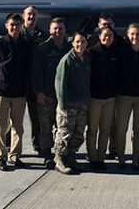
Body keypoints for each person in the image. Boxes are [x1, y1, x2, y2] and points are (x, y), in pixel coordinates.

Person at [0, 13, 32, 172]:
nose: (15, 27)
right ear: (6, 25)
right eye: (12, 24)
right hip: (2, 91)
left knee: (18, 127)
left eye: (18, 24)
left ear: (22, 26)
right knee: (0, 127)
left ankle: (15, 155)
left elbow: (28, 67)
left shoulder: (26, 45)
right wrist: (0, 80)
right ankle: (1, 157)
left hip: (19, 92)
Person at [32, 18, 71, 169]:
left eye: (60, 29)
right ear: (49, 30)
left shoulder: (69, 48)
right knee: (46, 126)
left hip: (64, 95)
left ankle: (61, 153)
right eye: (55, 28)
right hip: (47, 94)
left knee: (63, 126)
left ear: (64, 31)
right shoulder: (42, 49)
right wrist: (39, 92)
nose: (58, 31)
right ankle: (47, 154)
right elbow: (36, 72)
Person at [115, 23, 139, 169]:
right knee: (121, 129)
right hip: (124, 96)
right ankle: (121, 158)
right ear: (127, 35)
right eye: (132, 34)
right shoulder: (122, 52)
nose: (135, 37)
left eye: (138, 34)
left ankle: (135, 158)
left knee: (138, 130)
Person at [54, 32, 91, 174]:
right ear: (72, 43)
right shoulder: (67, 60)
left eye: (83, 42)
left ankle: (71, 157)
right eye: (77, 42)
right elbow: (60, 83)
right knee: (64, 132)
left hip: (82, 103)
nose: (80, 45)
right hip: (69, 105)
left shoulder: (86, 59)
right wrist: (63, 105)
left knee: (78, 133)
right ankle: (59, 159)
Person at [85, 26, 118, 170]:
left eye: (110, 35)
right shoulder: (91, 52)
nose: (107, 38)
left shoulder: (115, 53)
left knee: (105, 130)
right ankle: (92, 158)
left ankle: (101, 157)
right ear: (99, 36)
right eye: (105, 35)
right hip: (94, 97)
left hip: (110, 98)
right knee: (92, 129)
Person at [20, 5, 49, 155]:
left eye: (34, 15)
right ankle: (10, 147)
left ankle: (37, 145)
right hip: (18, 84)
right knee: (14, 119)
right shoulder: (17, 34)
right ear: (24, 16)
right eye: (29, 15)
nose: (31, 17)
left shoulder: (42, 36)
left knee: (37, 117)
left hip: (36, 84)